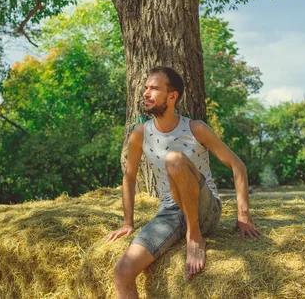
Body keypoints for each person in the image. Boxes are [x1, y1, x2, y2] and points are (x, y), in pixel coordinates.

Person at [106, 66, 261, 298]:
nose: (146, 93)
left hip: (205, 209)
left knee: (174, 159)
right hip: (169, 213)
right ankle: (187, 231)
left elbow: (238, 166)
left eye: (154, 88)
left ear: (172, 96)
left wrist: (243, 216)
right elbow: (129, 177)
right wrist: (128, 221)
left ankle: (194, 237)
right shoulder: (141, 133)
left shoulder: (195, 128)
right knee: (122, 271)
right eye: (146, 88)